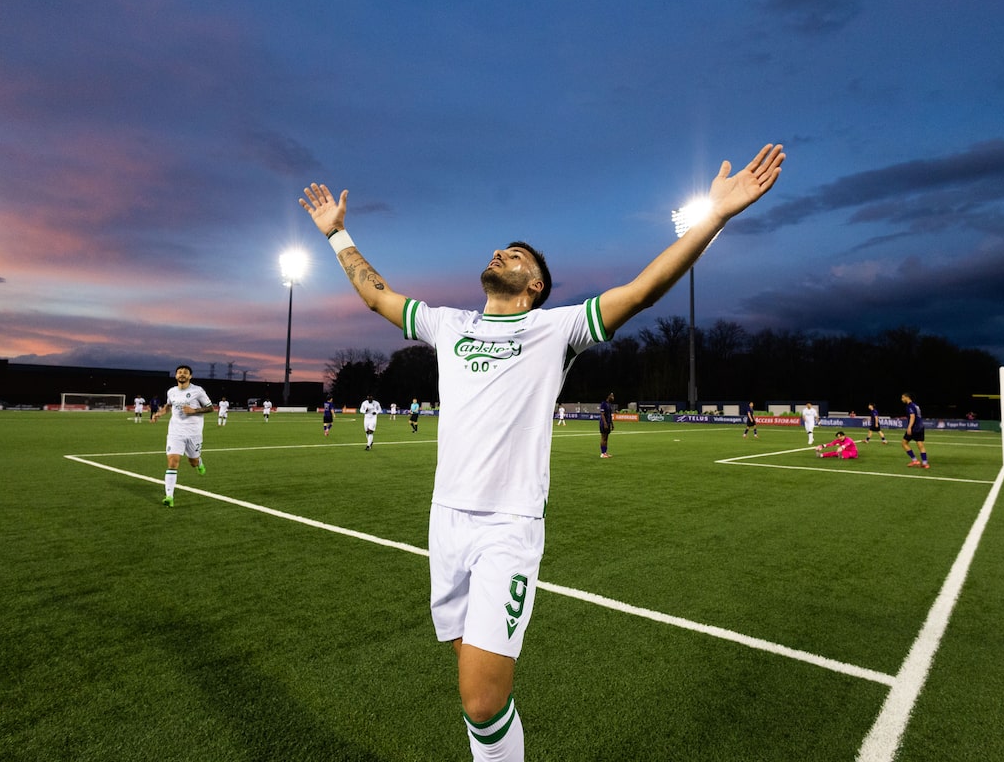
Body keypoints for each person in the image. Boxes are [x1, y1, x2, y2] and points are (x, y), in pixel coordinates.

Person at [300, 141, 784, 761]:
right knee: (480, 697)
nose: (501, 252)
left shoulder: (556, 329)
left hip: (507, 525)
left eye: (517, 255)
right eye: (501, 248)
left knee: (480, 699)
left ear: (533, 286)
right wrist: (338, 236)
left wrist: (713, 217)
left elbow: (641, 291)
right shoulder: (449, 325)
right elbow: (377, 295)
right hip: (445, 521)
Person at [149, 365, 213, 507]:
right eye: (179, 372)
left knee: (193, 462)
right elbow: (169, 406)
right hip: (175, 432)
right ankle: (169, 497)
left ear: (190, 376)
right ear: (176, 376)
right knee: (172, 462)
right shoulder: (171, 391)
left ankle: (199, 462)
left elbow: (210, 408)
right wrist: (159, 413)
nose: (182, 374)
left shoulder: (197, 391)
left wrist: (194, 410)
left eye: (185, 373)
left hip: (193, 434)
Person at [901, 392, 929, 468]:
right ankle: (925, 463)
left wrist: (909, 427)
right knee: (920, 445)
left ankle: (915, 460)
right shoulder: (916, 405)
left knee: (904, 443)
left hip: (914, 427)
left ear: (907, 397)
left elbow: (912, 416)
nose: (902, 399)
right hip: (920, 426)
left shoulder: (909, 406)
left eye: (903, 397)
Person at [599, 393, 616, 458]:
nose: (613, 397)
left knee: (606, 438)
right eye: (612, 395)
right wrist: (605, 423)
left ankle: (605, 452)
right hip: (604, 423)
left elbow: (609, 415)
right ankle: (602, 453)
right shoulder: (603, 403)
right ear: (608, 396)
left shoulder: (609, 404)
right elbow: (602, 414)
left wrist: (612, 424)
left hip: (608, 423)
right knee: (603, 438)